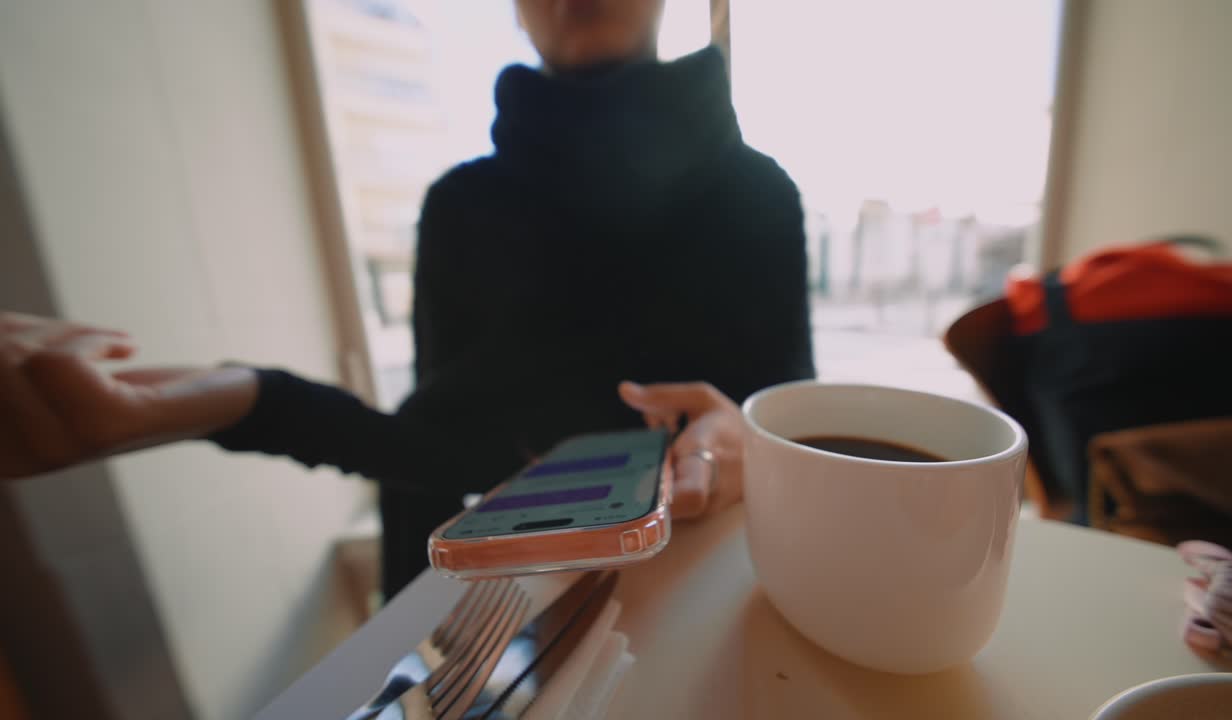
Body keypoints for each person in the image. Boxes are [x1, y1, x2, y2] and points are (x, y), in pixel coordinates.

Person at [0, 0, 813, 597]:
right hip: (537, 620)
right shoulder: (463, 207)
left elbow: (805, 423)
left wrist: (758, 447)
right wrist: (236, 401)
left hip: (742, 588)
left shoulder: (758, 194)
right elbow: (430, 456)